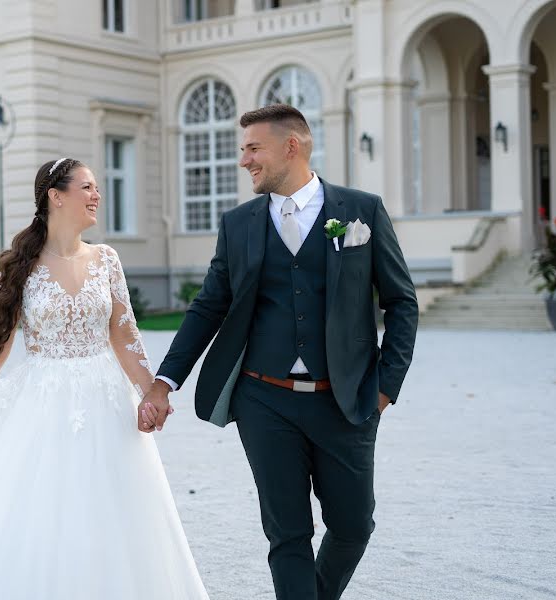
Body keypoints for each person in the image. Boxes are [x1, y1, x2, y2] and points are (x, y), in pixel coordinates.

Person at [0, 158, 209, 599]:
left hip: (105, 401)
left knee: (116, 511)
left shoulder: (107, 260)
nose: (96, 196)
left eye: (97, 188)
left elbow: (124, 336)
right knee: (41, 511)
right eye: (86, 187)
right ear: (55, 195)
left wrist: (151, 394)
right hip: (42, 402)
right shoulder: (20, 266)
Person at [138, 104, 418, 600]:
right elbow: (208, 308)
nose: (243, 161)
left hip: (346, 399)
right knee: (287, 534)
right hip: (263, 400)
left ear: (292, 146)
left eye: (252, 149)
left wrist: (385, 390)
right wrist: (164, 382)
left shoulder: (362, 211)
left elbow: (401, 303)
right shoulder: (238, 223)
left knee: (354, 526)